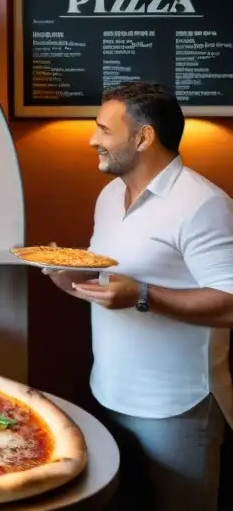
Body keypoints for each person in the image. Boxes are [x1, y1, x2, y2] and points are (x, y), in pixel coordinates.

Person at [44, 82, 233, 510]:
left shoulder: (203, 204)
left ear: (143, 137)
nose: (93, 140)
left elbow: (230, 302)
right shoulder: (110, 195)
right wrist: (69, 278)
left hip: (176, 406)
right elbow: (112, 283)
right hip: (107, 391)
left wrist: (145, 295)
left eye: (104, 130)